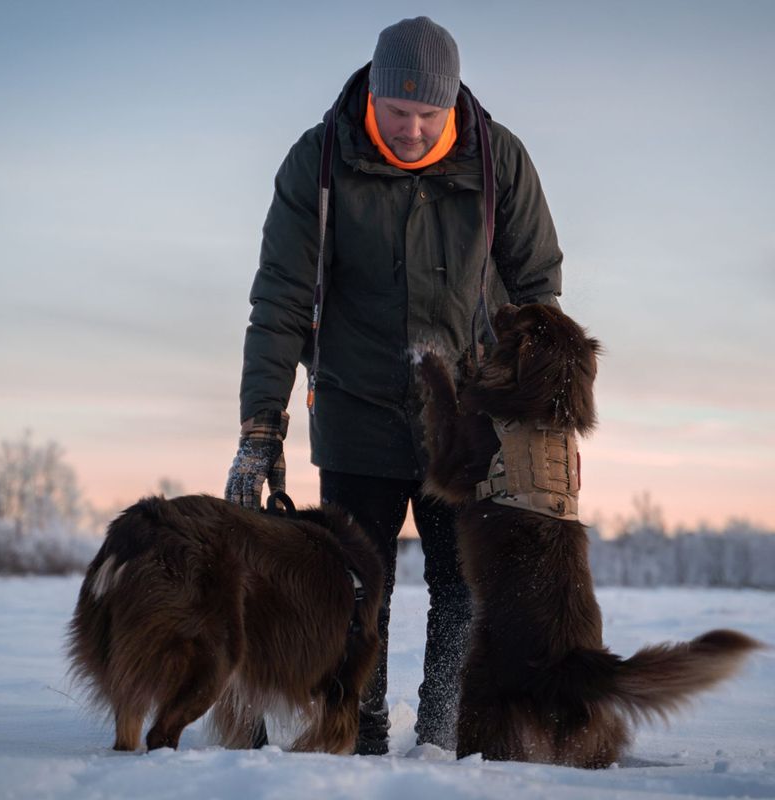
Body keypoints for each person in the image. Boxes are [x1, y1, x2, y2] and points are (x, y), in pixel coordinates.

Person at [225, 16, 563, 755]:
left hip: (467, 419)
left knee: (465, 589)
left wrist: (540, 412)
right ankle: (360, 732)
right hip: (357, 409)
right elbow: (279, 298)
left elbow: (538, 293)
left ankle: (446, 732)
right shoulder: (318, 161)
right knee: (354, 592)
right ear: (373, 94)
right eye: (396, 111)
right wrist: (260, 429)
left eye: (426, 115)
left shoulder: (498, 160)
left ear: (450, 107)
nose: (410, 129)